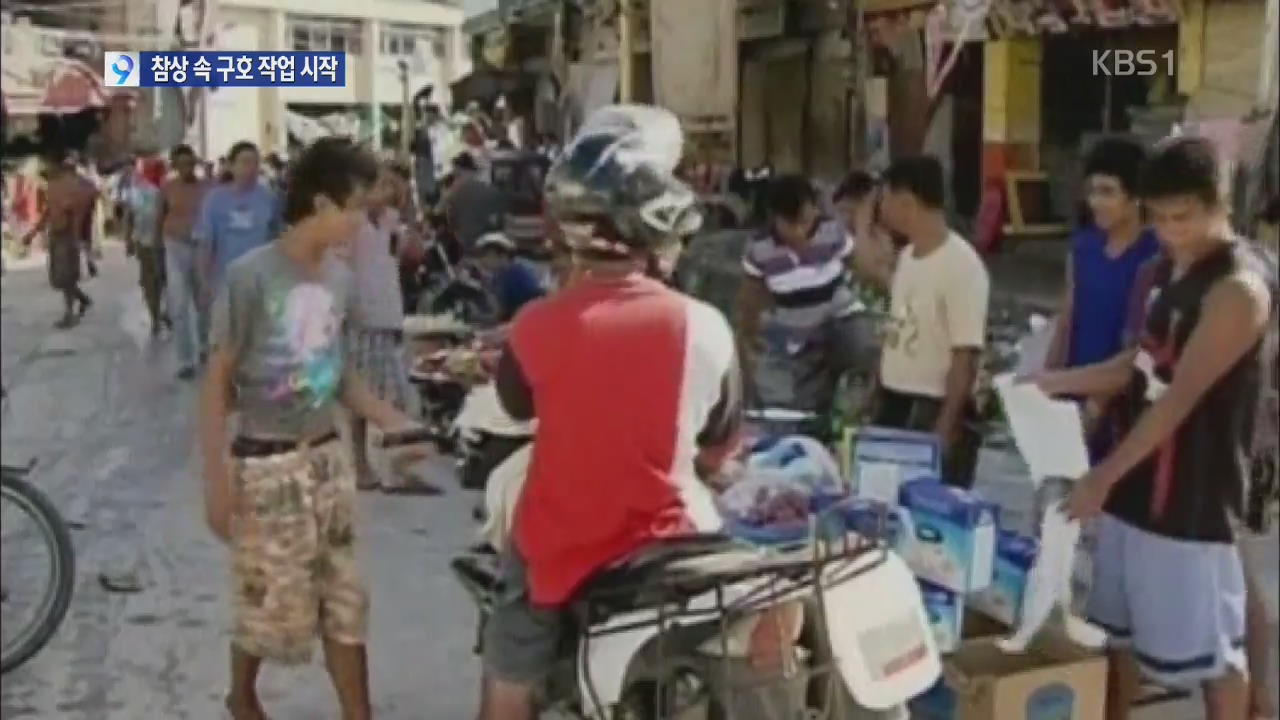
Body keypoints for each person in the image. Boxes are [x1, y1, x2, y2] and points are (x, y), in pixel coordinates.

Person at [477, 105, 742, 720]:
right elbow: (719, 443)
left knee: (509, 668)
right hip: (677, 544)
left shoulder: (535, 325)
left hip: (564, 552)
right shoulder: (705, 325)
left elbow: (516, 408)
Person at [1030, 137, 1273, 720]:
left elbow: (1179, 400)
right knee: (1115, 636)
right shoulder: (1160, 270)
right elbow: (1135, 368)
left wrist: (1102, 478)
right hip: (1135, 487)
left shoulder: (1238, 289)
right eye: (1160, 218)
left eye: (1184, 217)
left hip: (1192, 496)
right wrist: (1052, 383)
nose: (1171, 231)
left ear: (1220, 204)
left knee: (1214, 655)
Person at [200, 137, 427, 720]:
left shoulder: (340, 280)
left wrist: (392, 420)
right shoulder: (251, 277)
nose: (361, 221)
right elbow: (215, 381)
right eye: (355, 207)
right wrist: (216, 483)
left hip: (327, 461)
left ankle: (360, 712)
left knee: (346, 600)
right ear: (321, 204)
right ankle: (242, 697)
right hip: (265, 463)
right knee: (270, 603)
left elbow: (337, 373)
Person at [874, 155, 989, 488]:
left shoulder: (962, 266)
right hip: (895, 400)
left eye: (886, 198)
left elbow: (965, 354)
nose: (882, 208)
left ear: (906, 201)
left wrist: (945, 426)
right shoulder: (908, 257)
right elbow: (897, 328)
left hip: (932, 406)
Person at [1044, 139, 1161, 452]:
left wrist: (1097, 404)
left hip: (1123, 401)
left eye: (1108, 192)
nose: (1096, 202)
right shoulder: (1083, 248)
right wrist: (1048, 385)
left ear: (1135, 196)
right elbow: (1068, 320)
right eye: (1092, 191)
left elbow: (1140, 345)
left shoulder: (1155, 258)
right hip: (1072, 390)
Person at [734, 175, 862, 432]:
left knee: (860, 339)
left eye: (805, 221)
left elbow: (856, 265)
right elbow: (751, 298)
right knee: (795, 397)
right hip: (793, 330)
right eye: (790, 225)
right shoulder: (760, 249)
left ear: (815, 210)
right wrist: (748, 337)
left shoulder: (832, 232)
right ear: (775, 218)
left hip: (838, 318)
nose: (800, 233)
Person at [344, 165, 439, 495]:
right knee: (363, 397)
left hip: (387, 313)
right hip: (360, 316)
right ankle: (363, 466)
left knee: (394, 395)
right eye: (383, 187)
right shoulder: (351, 223)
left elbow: (415, 254)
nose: (388, 194)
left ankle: (394, 467)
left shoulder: (388, 221)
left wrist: (411, 214)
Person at [194, 141, 280, 310]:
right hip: (224, 284)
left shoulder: (269, 198)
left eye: (256, 163)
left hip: (260, 285)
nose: (251, 168)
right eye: (245, 162)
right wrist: (203, 282)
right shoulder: (215, 200)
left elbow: (277, 239)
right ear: (231, 166)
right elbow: (205, 244)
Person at [23, 147, 93, 328]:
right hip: (55, 234)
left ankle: (69, 313)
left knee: (67, 277)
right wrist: (33, 233)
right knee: (59, 278)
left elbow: (81, 213)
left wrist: (79, 240)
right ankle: (82, 299)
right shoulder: (53, 186)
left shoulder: (78, 186)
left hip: (68, 235)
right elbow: (48, 212)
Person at [160, 144, 213, 379]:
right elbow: (158, 216)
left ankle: (204, 347)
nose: (186, 168)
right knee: (179, 303)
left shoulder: (208, 188)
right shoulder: (168, 188)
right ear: (174, 166)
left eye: (189, 163)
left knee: (204, 301)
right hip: (175, 245)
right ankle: (184, 359)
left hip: (202, 247)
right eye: (180, 164)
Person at [123, 155, 170, 336]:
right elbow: (130, 216)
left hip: (154, 242)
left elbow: (129, 217)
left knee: (152, 281)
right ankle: (159, 316)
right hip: (157, 242)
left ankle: (159, 316)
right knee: (157, 281)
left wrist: (128, 240)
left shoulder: (163, 189)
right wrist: (128, 239)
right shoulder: (159, 189)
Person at [473, 231, 545, 322]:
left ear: (503, 256)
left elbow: (500, 314)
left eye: (486, 255)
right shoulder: (500, 274)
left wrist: (476, 318)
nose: (482, 260)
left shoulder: (516, 274)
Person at [442, 153, 505, 253]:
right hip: (486, 235)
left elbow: (450, 215)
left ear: (459, 169)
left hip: (466, 237)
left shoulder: (456, 189)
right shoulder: (485, 183)